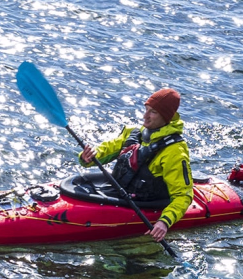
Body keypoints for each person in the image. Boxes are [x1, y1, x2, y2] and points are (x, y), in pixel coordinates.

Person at [78, 86, 193, 242]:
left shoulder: (175, 151)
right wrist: (89, 156)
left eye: (153, 112)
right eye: (146, 109)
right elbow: (106, 150)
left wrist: (164, 222)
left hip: (147, 204)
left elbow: (183, 196)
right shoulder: (135, 132)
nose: (145, 116)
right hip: (121, 194)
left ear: (166, 117)